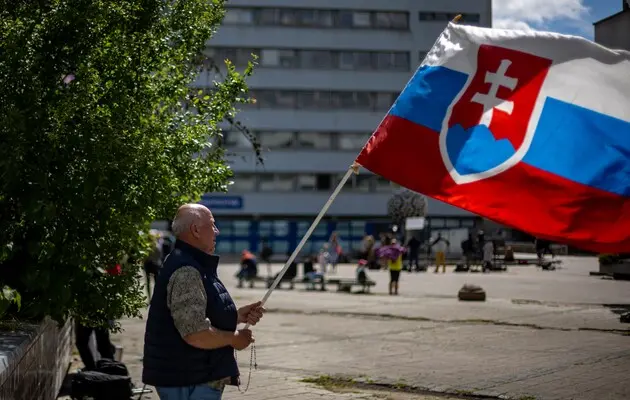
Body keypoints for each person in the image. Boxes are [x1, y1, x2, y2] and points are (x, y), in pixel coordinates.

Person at [142, 204, 265, 400]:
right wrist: (235, 338)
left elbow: (194, 314)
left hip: (191, 375)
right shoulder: (187, 270)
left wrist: (235, 316)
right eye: (212, 225)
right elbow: (195, 333)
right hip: (188, 378)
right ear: (196, 230)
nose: (217, 231)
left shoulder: (192, 262)